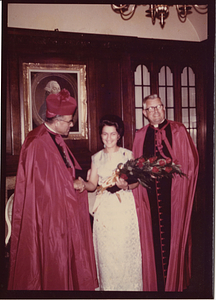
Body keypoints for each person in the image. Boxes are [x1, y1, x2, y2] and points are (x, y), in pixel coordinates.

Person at [8, 89, 98, 290]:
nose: (71, 124)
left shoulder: (54, 136)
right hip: (46, 218)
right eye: (68, 120)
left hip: (61, 210)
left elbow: (62, 172)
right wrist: (71, 184)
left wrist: (75, 182)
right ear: (56, 120)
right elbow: (40, 186)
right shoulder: (37, 142)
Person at [132, 94, 199, 292]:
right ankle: (156, 285)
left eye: (159, 106)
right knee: (152, 238)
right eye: (151, 108)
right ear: (144, 113)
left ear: (164, 107)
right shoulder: (140, 135)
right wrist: (144, 175)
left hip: (174, 195)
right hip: (150, 197)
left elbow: (191, 163)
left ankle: (174, 283)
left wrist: (174, 175)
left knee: (173, 237)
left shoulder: (178, 130)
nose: (156, 111)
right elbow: (136, 165)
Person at [77, 115, 143, 291]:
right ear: (100, 135)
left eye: (112, 134)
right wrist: (83, 184)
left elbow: (135, 182)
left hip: (124, 206)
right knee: (106, 250)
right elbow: (92, 185)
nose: (108, 138)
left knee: (123, 248)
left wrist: (126, 185)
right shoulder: (96, 157)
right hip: (105, 208)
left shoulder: (127, 154)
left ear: (119, 135)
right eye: (105, 134)